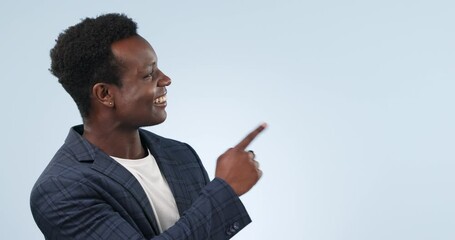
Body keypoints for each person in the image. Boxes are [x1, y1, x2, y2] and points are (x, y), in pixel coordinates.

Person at [30, 13, 266, 239]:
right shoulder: (59, 190)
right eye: (149, 74)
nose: (165, 79)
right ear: (105, 93)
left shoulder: (181, 155)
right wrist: (224, 191)